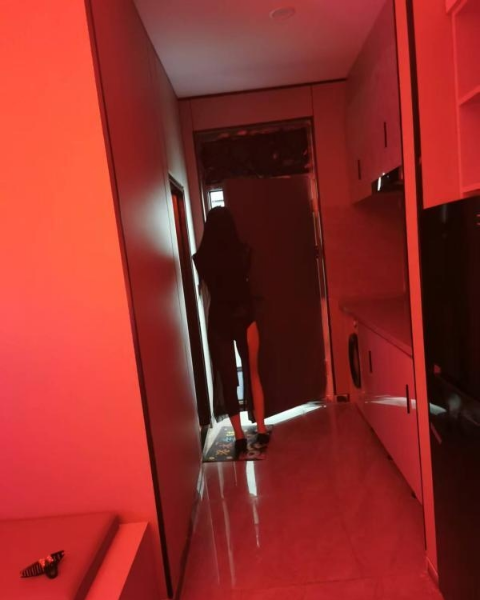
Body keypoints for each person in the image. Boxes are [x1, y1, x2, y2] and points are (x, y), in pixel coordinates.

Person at [193, 206, 269, 456]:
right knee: (253, 374)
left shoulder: (201, 259)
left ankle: (238, 437)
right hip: (245, 317)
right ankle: (261, 429)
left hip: (219, 320)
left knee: (228, 380)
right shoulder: (243, 252)